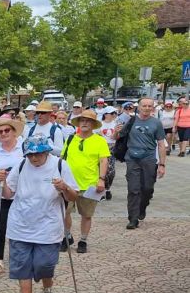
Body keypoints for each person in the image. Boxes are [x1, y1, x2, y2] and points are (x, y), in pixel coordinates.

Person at [2, 136, 78, 293]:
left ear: (46, 152)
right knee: (21, 264)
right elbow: (8, 194)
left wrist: (64, 187)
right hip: (20, 223)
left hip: (48, 225)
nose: (33, 158)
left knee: (44, 264)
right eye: (30, 155)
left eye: (37, 154)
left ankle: (47, 287)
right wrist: (1, 182)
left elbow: (73, 196)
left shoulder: (60, 165)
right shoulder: (21, 165)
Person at [61, 110, 110, 254]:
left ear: (93, 124)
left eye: (88, 121)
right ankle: (67, 236)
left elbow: (104, 160)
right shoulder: (70, 139)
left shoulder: (99, 141)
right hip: (69, 184)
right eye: (82, 120)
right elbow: (62, 159)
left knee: (87, 215)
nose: (84, 123)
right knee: (64, 212)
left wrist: (101, 179)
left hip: (89, 184)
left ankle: (83, 240)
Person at [0, 117, 25, 276]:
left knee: (20, 227)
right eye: (0, 131)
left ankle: (20, 257)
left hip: (20, 195)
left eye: (7, 130)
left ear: (14, 132)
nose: (3, 133)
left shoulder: (23, 148)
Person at [120, 97, 166, 229]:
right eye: (144, 106)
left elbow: (161, 144)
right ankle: (133, 218)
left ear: (153, 108)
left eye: (149, 106)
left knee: (147, 188)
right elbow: (119, 137)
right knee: (133, 189)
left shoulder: (156, 123)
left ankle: (142, 207)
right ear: (138, 107)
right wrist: (117, 132)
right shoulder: (131, 121)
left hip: (149, 159)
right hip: (132, 159)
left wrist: (162, 165)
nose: (146, 108)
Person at [96, 107, 118, 200]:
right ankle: (102, 191)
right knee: (101, 169)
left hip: (112, 147)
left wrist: (116, 132)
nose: (114, 115)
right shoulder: (99, 124)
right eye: (112, 113)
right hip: (101, 147)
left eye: (114, 113)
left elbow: (115, 137)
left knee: (111, 171)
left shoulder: (116, 123)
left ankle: (108, 188)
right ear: (105, 114)